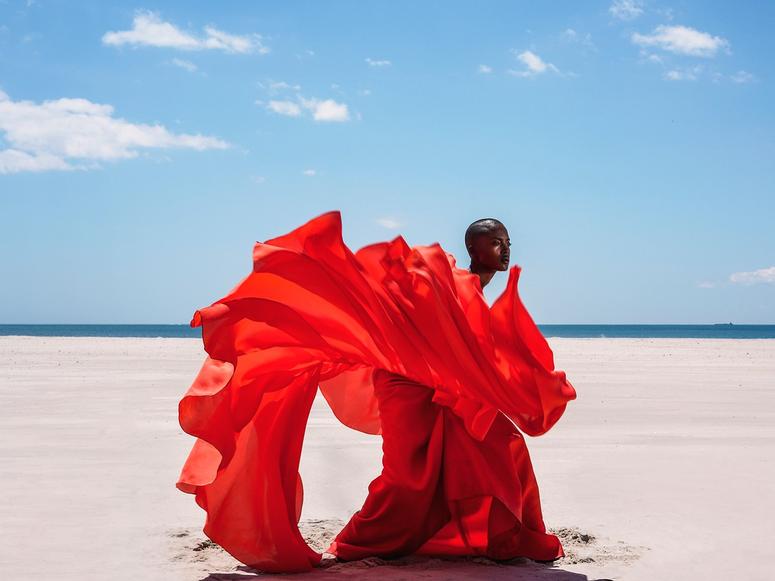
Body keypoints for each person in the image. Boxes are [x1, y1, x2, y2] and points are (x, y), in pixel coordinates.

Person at [176, 211, 576, 573]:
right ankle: (358, 542)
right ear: (474, 247)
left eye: (507, 242)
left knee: (501, 443)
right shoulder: (448, 277)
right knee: (407, 474)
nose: (505, 249)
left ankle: (498, 537)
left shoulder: (470, 285)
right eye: (496, 241)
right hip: (404, 383)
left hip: (445, 390)